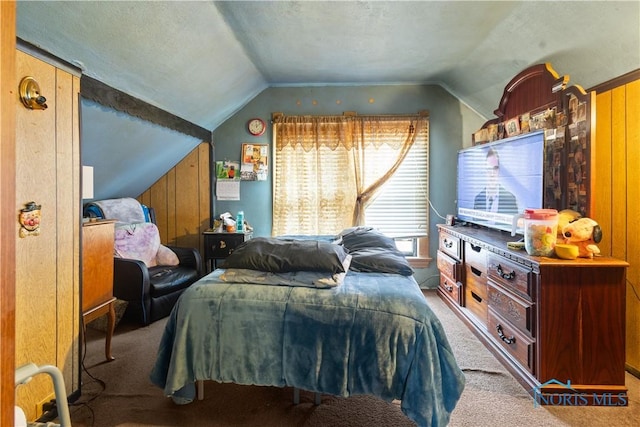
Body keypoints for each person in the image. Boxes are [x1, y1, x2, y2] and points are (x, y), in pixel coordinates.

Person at [474, 148, 518, 214]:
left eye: (495, 168)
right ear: (485, 171)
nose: (492, 174)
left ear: (499, 170)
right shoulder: (478, 199)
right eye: (489, 169)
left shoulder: (510, 199)